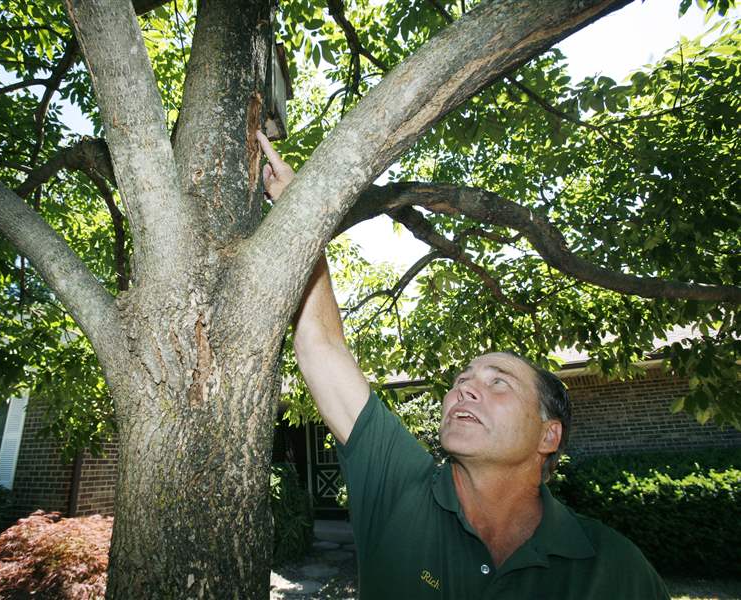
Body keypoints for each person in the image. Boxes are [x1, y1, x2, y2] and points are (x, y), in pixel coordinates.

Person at [257, 131, 670, 599]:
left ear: (548, 435)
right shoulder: (398, 487)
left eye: (499, 383)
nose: (464, 390)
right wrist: (299, 212)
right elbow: (322, 346)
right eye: (462, 379)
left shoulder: (613, 571)